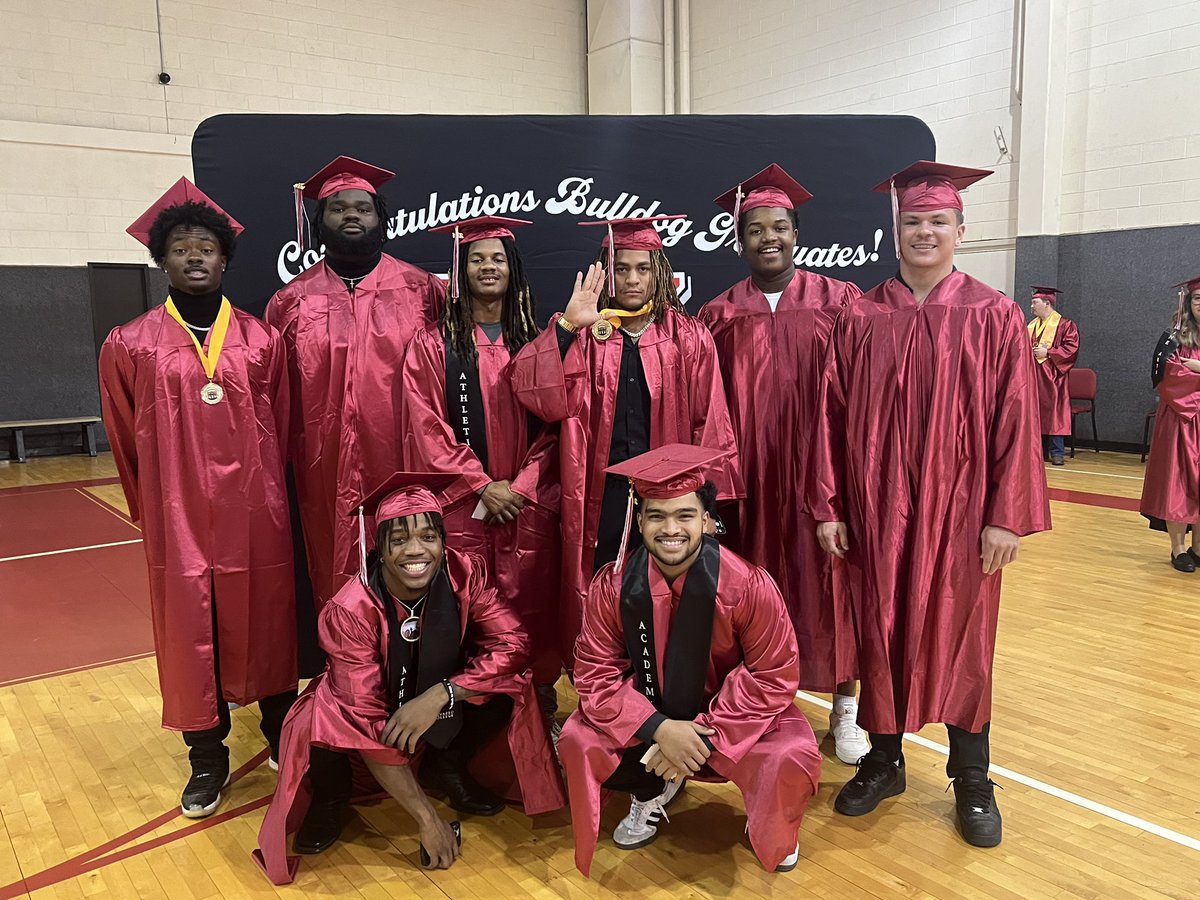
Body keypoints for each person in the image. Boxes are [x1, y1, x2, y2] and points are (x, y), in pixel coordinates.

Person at [810, 161, 1050, 848]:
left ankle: (972, 777)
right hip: (875, 508)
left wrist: (1006, 515)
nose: (925, 231)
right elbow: (829, 416)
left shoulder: (993, 315)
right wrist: (829, 504)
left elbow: (1016, 419)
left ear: (960, 230)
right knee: (881, 628)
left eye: (938, 221)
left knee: (964, 635)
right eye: (913, 220)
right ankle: (885, 761)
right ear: (896, 230)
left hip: (964, 513)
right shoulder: (860, 315)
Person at [254, 472, 565, 885]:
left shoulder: (466, 574)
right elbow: (361, 716)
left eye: (427, 537)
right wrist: (427, 818)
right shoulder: (351, 610)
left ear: (443, 542)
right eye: (399, 539)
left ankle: (447, 766)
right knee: (320, 714)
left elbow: (514, 643)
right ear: (380, 549)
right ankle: (331, 797)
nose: (415, 550)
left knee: (510, 682)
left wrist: (443, 694)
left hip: (435, 703)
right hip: (369, 716)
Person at [99, 179, 297, 818]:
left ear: (224, 259)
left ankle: (280, 730)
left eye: (206, 248)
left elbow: (284, 424)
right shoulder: (131, 343)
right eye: (182, 248)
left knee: (267, 620)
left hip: (255, 509)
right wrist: (152, 510)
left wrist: (271, 495)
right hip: (178, 511)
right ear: (162, 259)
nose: (194, 257)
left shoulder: (262, 340)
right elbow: (123, 437)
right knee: (190, 633)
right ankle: (207, 757)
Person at [558, 444, 820, 875]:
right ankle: (650, 791)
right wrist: (659, 729)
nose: (670, 529)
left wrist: (700, 735)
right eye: (656, 516)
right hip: (648, 715)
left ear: (707, 520)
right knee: (578, 738)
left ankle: (770, 821)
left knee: (790, 751)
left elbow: (772, 675)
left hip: (730, 720)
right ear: (638, 520)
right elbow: (594, 673)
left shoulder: (747, 587)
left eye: (684, 515)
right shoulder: (612, 586)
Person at [507, 216, 743, 672]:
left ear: (659, 272)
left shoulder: (687, 335)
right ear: (606, 273)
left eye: (642, 268)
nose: (632, 279)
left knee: (668, 590)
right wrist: (565, 329)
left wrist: (708, 505)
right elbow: (535, 394)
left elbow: (710, 422)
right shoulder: (585, 333)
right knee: (601, 588)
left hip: (669, 493)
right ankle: (600, 681)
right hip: (600, 493)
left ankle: (662, 685)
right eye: (621, 268)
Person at [699, 164, 867, 764]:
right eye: (754, 229)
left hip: (819, 471)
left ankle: (845, 707)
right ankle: (763, 704)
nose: (767, 238)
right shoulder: (718, 313)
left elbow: (859, 395)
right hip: (749, 476)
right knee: (754, 589)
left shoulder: (840, 301)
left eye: (778, 227)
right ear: (738, 238)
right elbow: (706, 405)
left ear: (796, 233)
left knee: (832, 585)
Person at [265, 156, 445, 617]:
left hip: (405, 456)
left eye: (363, 208)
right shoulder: (290, 301)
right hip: (321, 463)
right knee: (331, 558)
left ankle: (416, 651)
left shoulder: (422, 290)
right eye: (338, 208)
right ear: (319, 222)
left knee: (410, 551)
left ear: (380, 219)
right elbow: (276, 397)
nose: (351, 215)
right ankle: (344, 650)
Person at [400, 216, 562, 722]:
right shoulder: (431, 344)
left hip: (526, 507)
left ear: (513, 269)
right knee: (465, 612)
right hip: (463, 509)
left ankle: (537, 713)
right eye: (476, 258)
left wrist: (521, 485)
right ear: (459, 270)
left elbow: (558, 428)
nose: (487, 267)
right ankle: (466, 724)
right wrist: (481, 484)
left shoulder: (536, 342)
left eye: (497, 258)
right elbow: (425, 425)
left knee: (531, 608)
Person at [1140, 276, 1200, 572]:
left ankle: (1198, 548)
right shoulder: (1173, 338)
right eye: (1198, 299)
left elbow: (1190, 373)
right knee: (1177, 482)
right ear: (1188, 303)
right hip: (1180, 420)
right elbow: (1168, 377)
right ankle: (1178, 548)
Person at [1027, 286, 1080, 466]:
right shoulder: (1031, 326)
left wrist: (1048, 352)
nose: (1031, 306)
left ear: (1047, 303)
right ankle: (1039, 451)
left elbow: (1071, 349)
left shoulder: (1065, 325)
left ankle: (1057, 452)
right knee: (1036, 412)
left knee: (1055, 412)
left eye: (1035, 302)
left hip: (1054, 377)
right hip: (1034, 376)